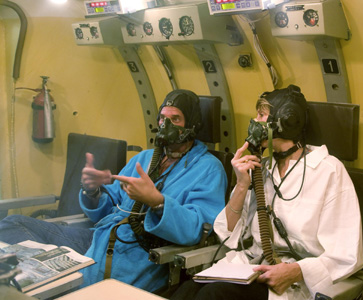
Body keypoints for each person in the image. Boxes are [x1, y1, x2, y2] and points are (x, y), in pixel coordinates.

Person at [0, 89, 227, 293]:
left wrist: (157, 202)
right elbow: (108, 207)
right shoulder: (146, 158)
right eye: (162, 118)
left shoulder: (209, 169)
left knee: (68, 288)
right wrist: (93, 191)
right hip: (98, 238)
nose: (166, 125)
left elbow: (199, 229)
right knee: (13, 224)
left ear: (193, 125)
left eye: (175, 119)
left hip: (140, 252)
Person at [170, 85, 363, 300]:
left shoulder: (328, 171)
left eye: (261, 115)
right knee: (185, 292)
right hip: (251, 268)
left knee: (213, 296)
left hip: (294, 280)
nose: (255, 122)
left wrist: (296, 271)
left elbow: (346, 255)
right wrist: (242, 184)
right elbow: (227, 234)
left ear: (287, 120)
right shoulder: (262, 167)